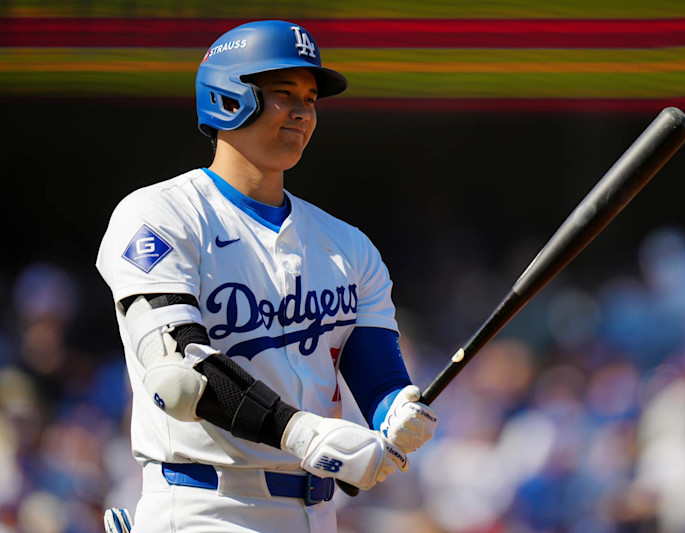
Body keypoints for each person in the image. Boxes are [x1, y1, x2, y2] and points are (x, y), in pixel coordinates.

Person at [96, 20, 438, 533]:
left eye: (311, 98)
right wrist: (303, 434)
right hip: (202, 507)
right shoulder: (159, 215)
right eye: (283, 94)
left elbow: (378, 377)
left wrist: (396, 412)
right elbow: (180, 377)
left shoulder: (348, 246)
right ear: (228, 99)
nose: (303, 111)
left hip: (318, 513)